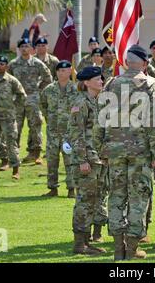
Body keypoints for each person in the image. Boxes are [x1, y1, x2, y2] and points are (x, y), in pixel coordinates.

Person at [96, 44, 155, 261]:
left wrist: (101, 149)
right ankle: (132, 248)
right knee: (138, 198)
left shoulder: (111, 83)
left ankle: (118, 249)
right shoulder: (151, 85)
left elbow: (100, 121)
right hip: (141, 152)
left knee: (116, 196)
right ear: (145, 64)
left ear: (127, 62)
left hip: (115, 151)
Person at [67, 66, 107, 255]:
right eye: (98, 79)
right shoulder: (81, 102)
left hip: (97, 159)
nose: (101, 81)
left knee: (93, 200)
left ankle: (87, 240)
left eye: (101, 79)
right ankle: (79, 243)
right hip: (86, 160)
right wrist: (82, 159)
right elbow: (76, 134)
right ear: (87, 82)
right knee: (84, 200)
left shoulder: (98, 101)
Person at [8, 38, 52, 164]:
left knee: (35, 126)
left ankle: (35, 153)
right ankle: (13, 155)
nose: (24, 49)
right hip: (17, 100)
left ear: (31, 48)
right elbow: (8, 79)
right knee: (15, 127)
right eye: (21, 46)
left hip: (33, 99)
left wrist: (39, 90)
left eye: (26, 46)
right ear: (19, 49)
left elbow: (47, 78)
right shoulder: (13, 64)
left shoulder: (37, 63)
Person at [39, 60, 77, 198]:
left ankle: (71, 189)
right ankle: (52, 188)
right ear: (56, 72)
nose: (63, 72)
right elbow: (42, 104)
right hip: (53, 132)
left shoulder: (75, 90)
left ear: (70, 71)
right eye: (60, 70)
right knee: (52, 160)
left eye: (66, 70)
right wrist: (49, 118)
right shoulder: (49, 90)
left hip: (69, 132)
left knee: (70, 161)